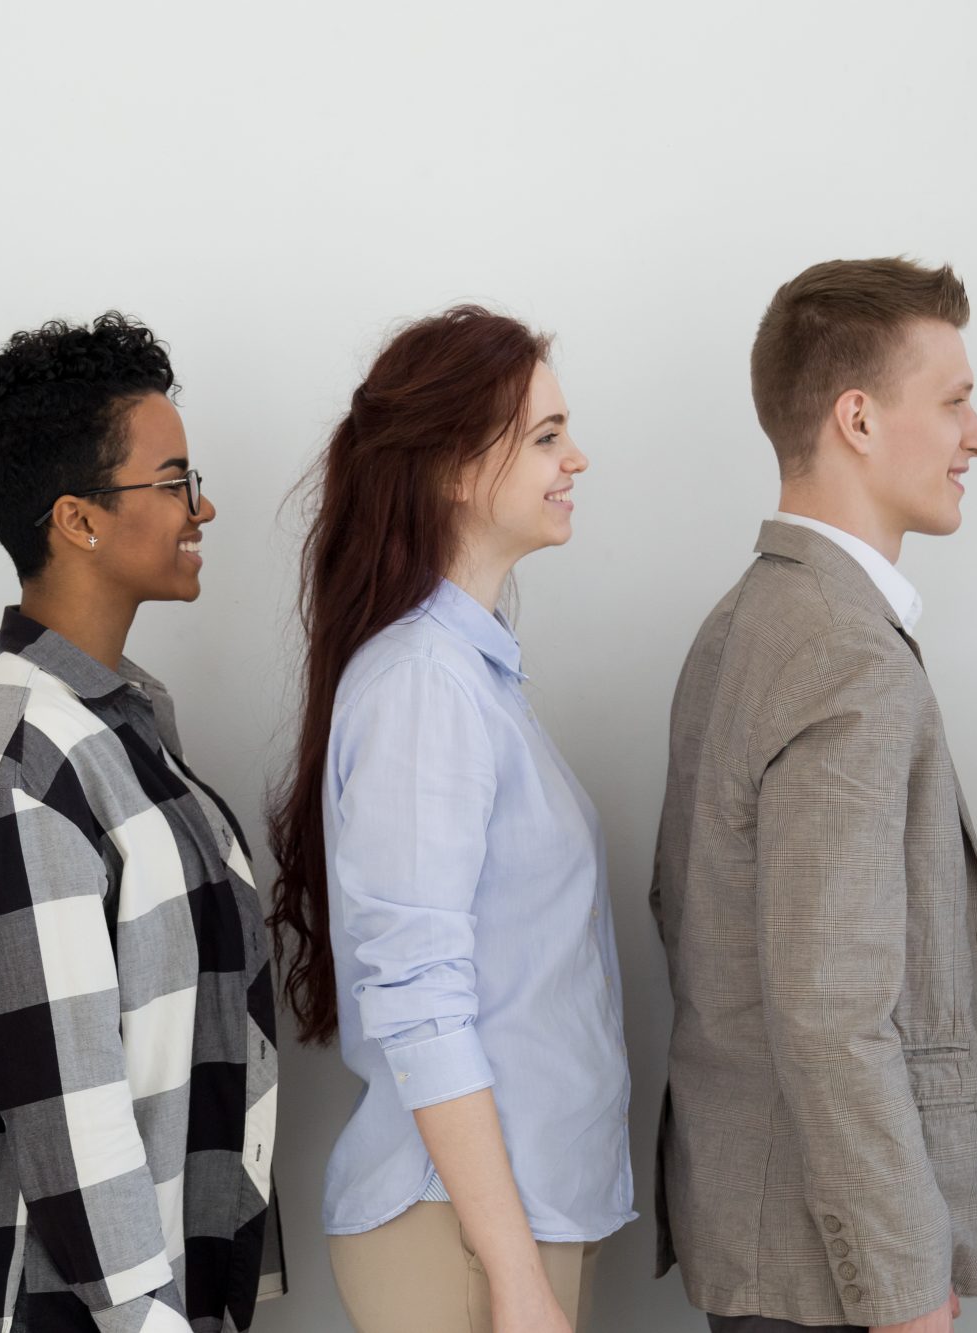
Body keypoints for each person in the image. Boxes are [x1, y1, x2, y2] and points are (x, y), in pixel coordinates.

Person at [650, 258, 977, 1332]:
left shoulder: (744, 622)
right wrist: (904, 1291)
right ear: (857, 418)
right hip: (831, 1276)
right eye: (952, 401)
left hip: (773, 1245)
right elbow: (827, 1009)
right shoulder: (838, 650)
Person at [0, 313, 280, 1333]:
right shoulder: (19, 756)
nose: (204, 506)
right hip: (74, 1309)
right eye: (175, 482)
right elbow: (61, 1096)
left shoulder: (117, 722)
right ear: (77, 519)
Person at [266, 306, 633, 1333]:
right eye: (547, 435)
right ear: (456, 470)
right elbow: (420, 995)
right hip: (465, 1237)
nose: (577, 458)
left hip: (503, 1222)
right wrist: (512, 1279)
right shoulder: (424, 684)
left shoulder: (463, 675)